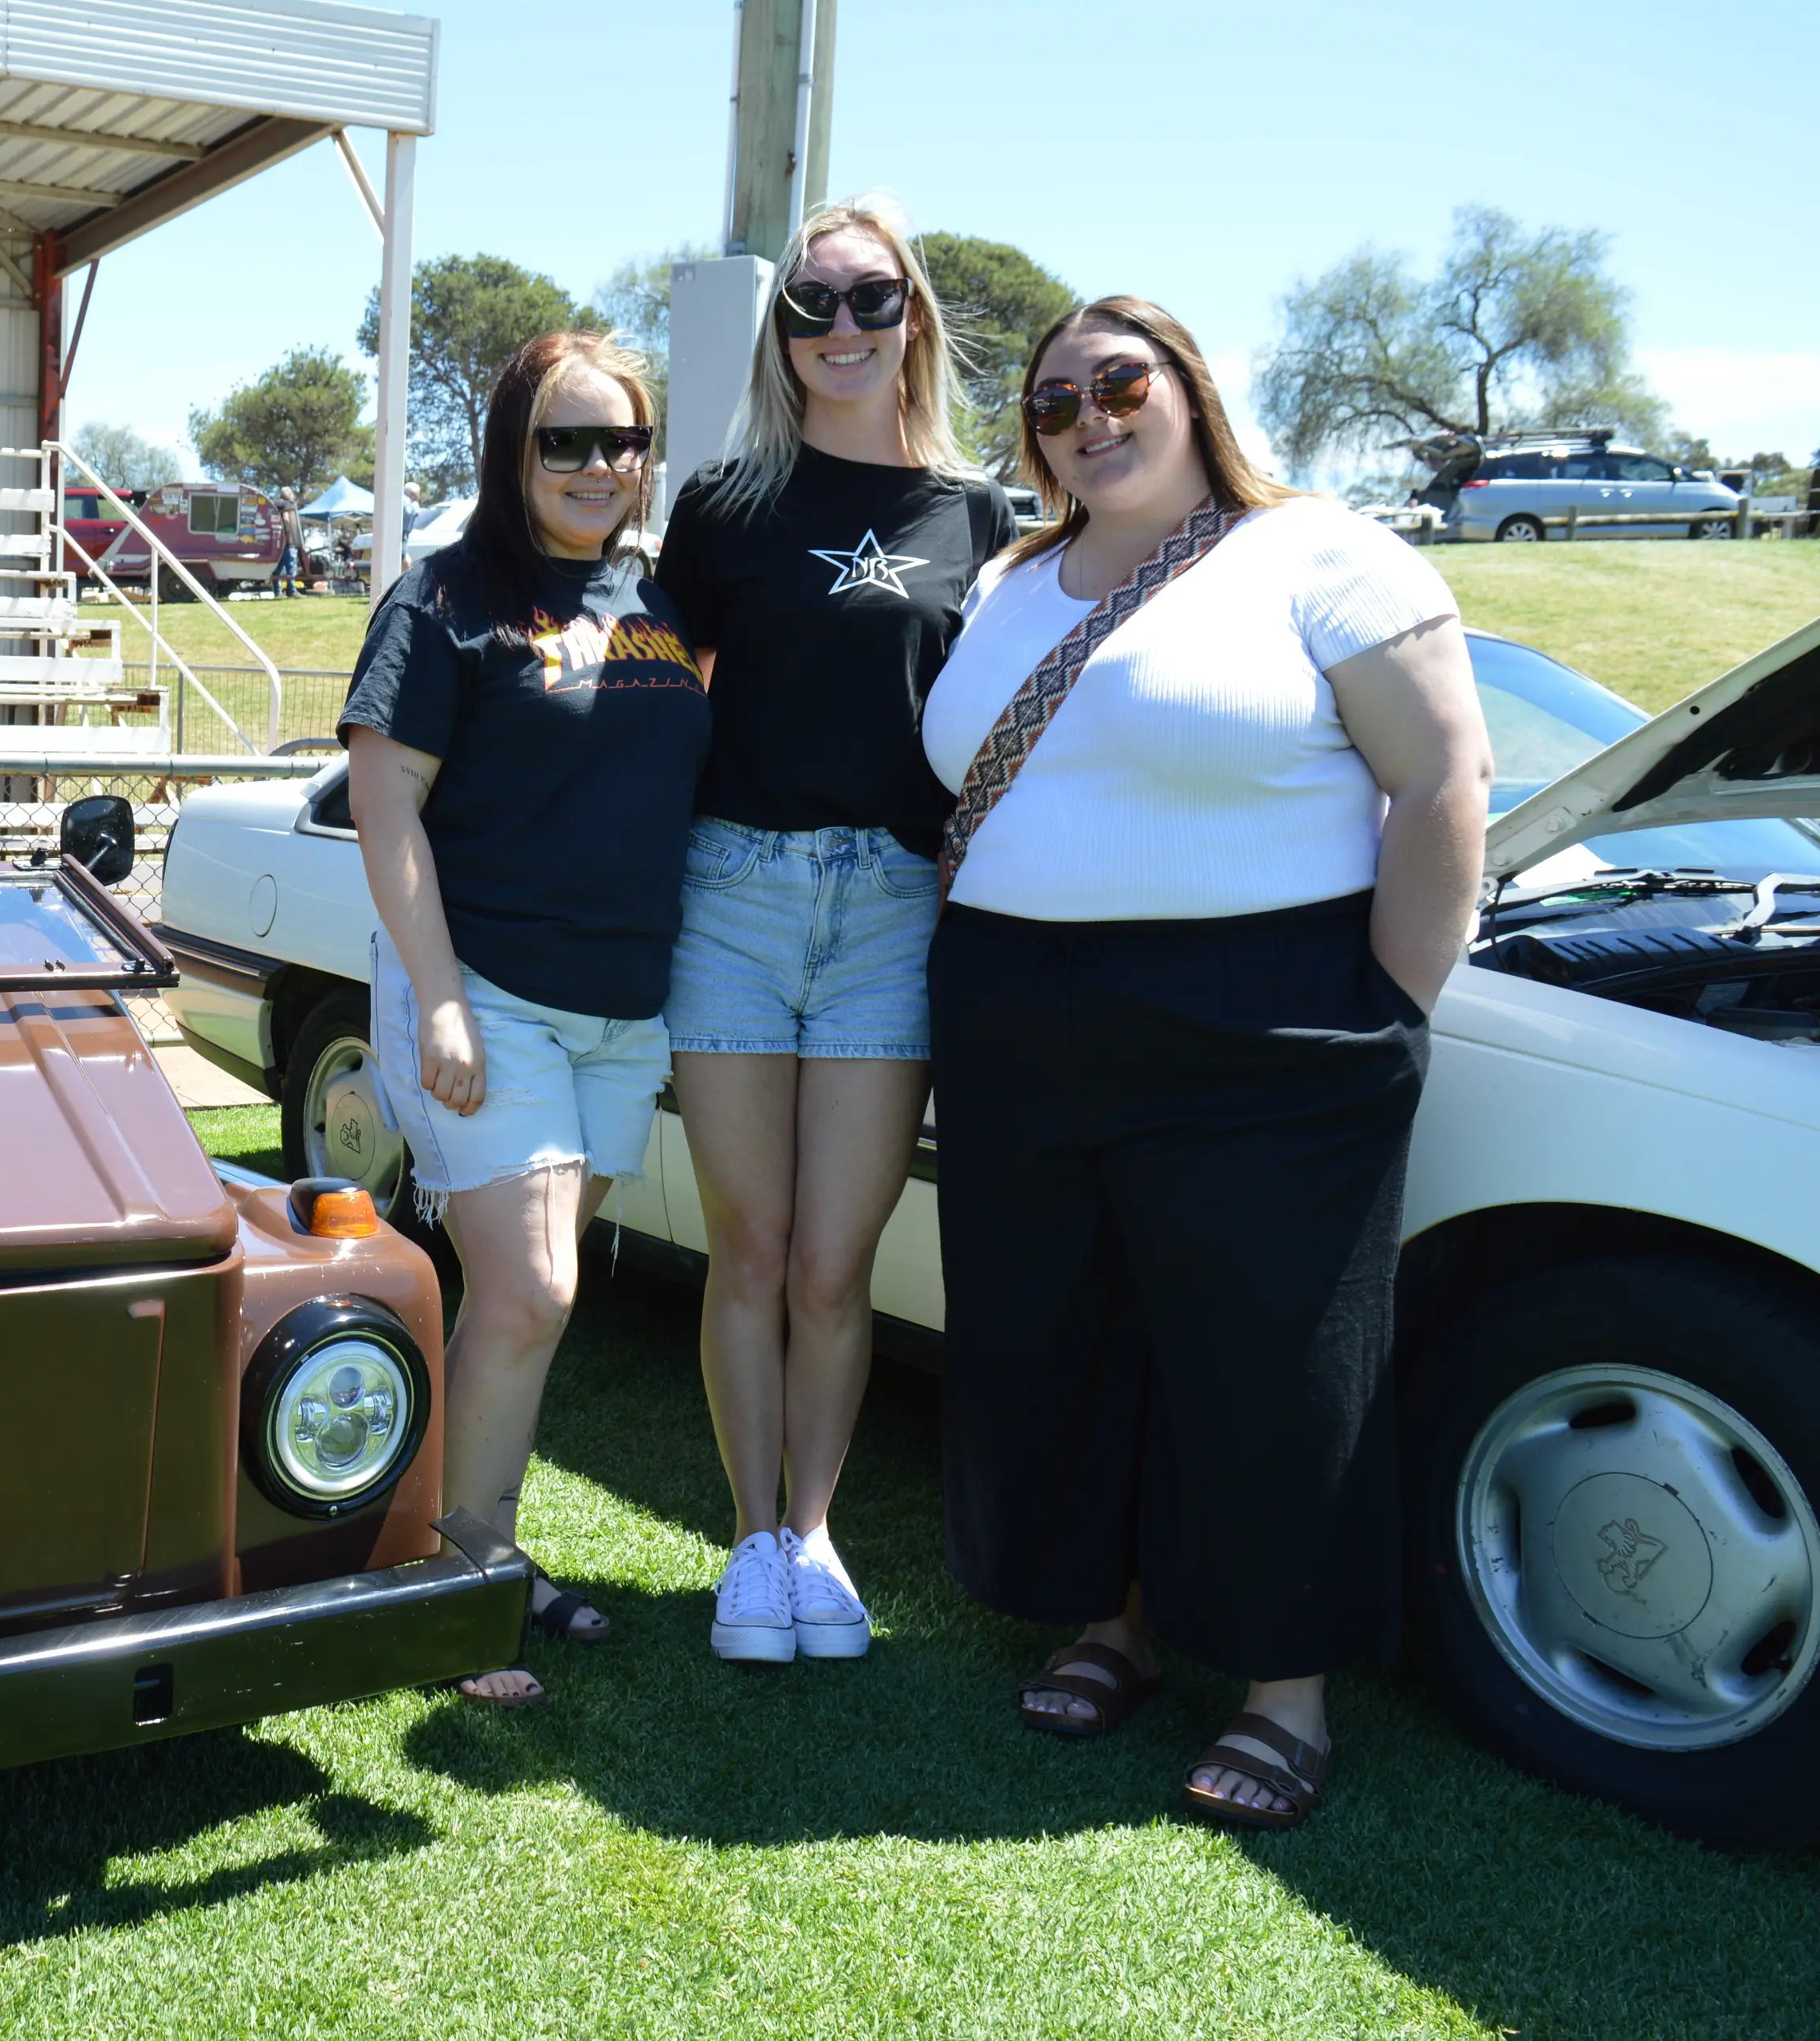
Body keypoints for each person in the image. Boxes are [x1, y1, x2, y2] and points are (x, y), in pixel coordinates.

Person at [918, 296, 1492, 1829]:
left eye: (1121, 383)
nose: (1088, 418)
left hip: (1266, 1015)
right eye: (1054, 402)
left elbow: (1444, 782)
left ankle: (1283, 1690)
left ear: (1191, 391)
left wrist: (1390, 1007)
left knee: (1267, 1359)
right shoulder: (1011, 578)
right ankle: (1117, 1624)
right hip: (1012, 1009)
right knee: (1062, 1332)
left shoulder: (1325, 554)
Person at [654, 201, 1012, 1666]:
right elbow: (646, 712)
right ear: (781, 335)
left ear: (913, 316)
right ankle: (751, 1543)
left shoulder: (981, 517)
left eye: (871, 299)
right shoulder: (726, 502)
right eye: (813, 306)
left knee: (829, 1265)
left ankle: (816, 1534)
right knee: (749, 1251)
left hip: (891, 910)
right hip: (730, 896)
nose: (843, 328)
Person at [341, 331, 710, 1706]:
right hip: (489, 990)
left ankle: (471, 1546)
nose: (598, 466)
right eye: (566, 439)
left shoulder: (659, 602)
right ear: (511, 449)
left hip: (626, 1009)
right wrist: (438, 997)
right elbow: (388, 809)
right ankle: (447, 1569)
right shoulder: (445, 600)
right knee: (532, 1287)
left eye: (622, 440)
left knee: (534, 1304)